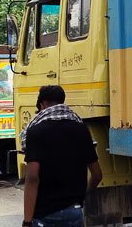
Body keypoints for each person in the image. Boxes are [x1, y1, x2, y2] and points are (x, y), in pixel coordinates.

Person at [21, 85, 103, 227]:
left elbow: (33, 178)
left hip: (45, 215)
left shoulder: (36, 131)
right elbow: (97, 175)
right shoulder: (81, 129)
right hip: (74, 212)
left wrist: (27, 221)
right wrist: (81, 198)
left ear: (43, 104)